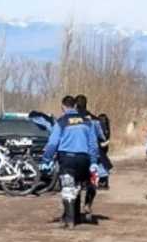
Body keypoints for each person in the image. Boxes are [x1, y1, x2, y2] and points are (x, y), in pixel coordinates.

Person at [42, 96, 100, 225]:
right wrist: (94, 161)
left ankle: (70, 220)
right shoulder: (87, 122)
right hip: (83, 159)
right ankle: (77, 217)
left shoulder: (61, 122)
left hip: (67, 158)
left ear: (63, 107)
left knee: (68, 187)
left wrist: (46, 158)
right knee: (77, 186)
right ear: (75, 106)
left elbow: (53, 143)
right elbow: (93, 144)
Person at [75, 95, 107, 213]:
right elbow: (102, 137)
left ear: (75, 105)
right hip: (92, 156)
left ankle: (74, 209)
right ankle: (88, 204)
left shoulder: (71, 119)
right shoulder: (94, 120)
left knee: (75, 183)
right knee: (92, 182)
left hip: (76, 154)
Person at [97, 113, 113, 190]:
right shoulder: (107, 127)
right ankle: (104, 181)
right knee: (102, 162)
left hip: (101, 146)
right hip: (104, 146)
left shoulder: (101, 125)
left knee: (101, 163)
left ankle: (103, 182)